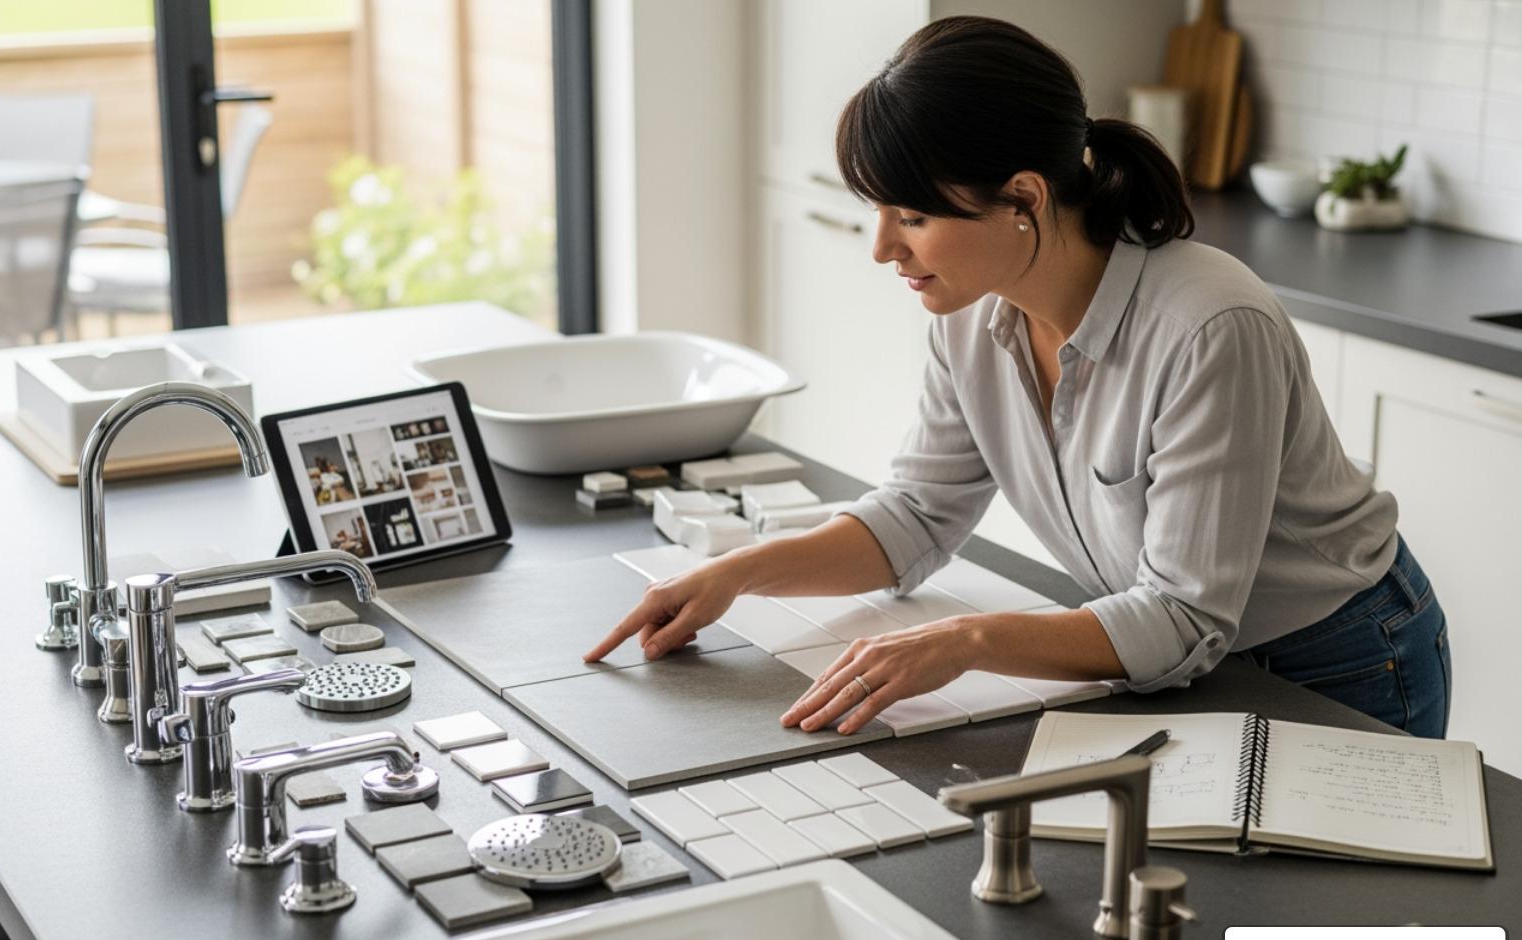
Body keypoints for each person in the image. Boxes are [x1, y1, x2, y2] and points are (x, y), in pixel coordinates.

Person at [586, 16, 1451, 739]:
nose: (884, 248)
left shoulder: (1209, 326)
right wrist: (740, 571)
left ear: (1025, 199)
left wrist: (964, 641)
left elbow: (1184, 619)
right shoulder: (969, 312)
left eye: (913, 216)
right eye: (879, 213)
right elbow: (918, 515)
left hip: (1336, 661)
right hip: (1172, 651)